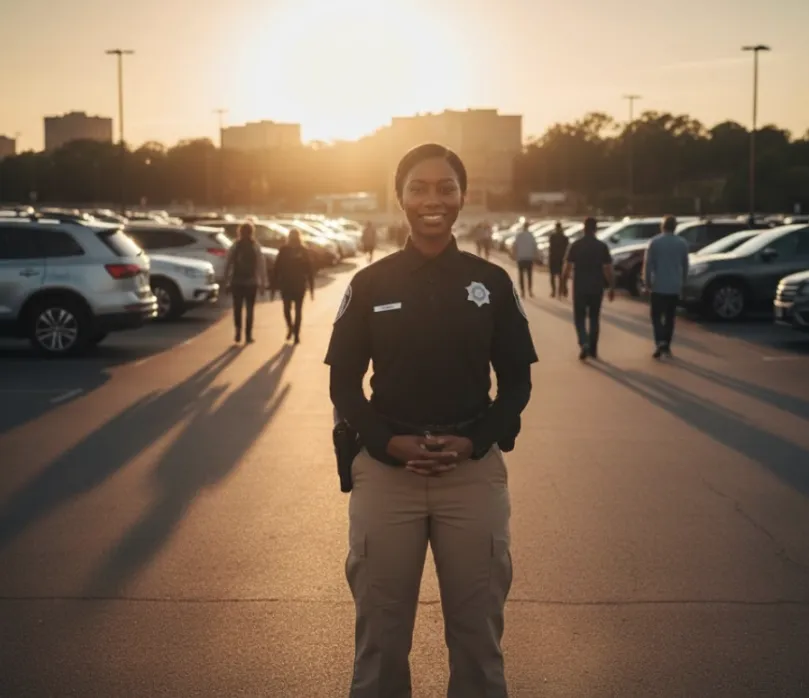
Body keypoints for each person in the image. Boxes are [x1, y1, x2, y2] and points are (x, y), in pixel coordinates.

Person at [325, 143, 537, 698]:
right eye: (418, 188)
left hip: (470, 476)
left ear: (463, 196)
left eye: (445, 187)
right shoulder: (370, 284)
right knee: (380, 642)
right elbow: (343, 383)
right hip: (386, 474)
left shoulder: (490, 283)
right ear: (399, 198)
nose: (432, 200)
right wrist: (387, 442)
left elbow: (517, 383)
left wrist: (473, 442)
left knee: (478, 641)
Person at [560, 216, 614, 360]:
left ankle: (584, 342)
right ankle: (593, 349)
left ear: (583, 229)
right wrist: (611, 287)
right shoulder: (601, 246)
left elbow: (567, 267)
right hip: (597, 287)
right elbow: (607, 269)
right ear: (595, 229)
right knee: (594, 318)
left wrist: (563, 284)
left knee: (579, 318)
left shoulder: (576, 245)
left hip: (580, 287)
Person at [642, 215, 689, 359]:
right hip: (674, 286)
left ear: (662, 226)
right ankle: (666, 344)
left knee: (656, 316)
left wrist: (647, 282)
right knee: (670, 317)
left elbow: (648, 264)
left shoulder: (655, 242)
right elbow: (685, 265)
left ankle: (659, 341)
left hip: (658, 286)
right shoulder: (682, 243)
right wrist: (683, 282)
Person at [224, 221, 267, 344]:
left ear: (240, 232)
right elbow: (261, 265)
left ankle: (238, 331)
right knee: (249, 309)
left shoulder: (235, 245)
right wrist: (263, 283)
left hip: (237, 282)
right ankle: (248, 335)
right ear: (252, 232)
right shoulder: (255, 246)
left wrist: (226, 280)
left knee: (237, 308)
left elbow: (228, 264)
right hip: (251, 282)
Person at [270, 228, 315, 344]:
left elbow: (276, 269)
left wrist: (273, 287)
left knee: (288, 309)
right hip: (296, 284)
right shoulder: (293, 250)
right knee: (297, 310)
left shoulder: (288, 250)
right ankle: (293, 330)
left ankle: (293, 331)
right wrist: (311, 288)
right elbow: (309, 270)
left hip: (289, 284)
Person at [512, 220, 538, 298]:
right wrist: (535, 256)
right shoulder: (531, 235)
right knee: (529, 275)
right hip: (529, 257)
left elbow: (515, 246)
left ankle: (523, 291)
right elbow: (534, 246)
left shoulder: (519, 235)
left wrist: (514, 255)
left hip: (521, 258)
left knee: (521, 275)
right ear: (528, 227)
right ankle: (530, 290)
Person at [547, 221, 569, 298]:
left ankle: (553, 291)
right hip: (561, 258)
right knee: (560, 276)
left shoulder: (552, 237)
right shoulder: (564, 237)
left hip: (553, 258)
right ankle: (560, 291)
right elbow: (566, 249)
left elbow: (550, 248)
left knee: (552, 276)